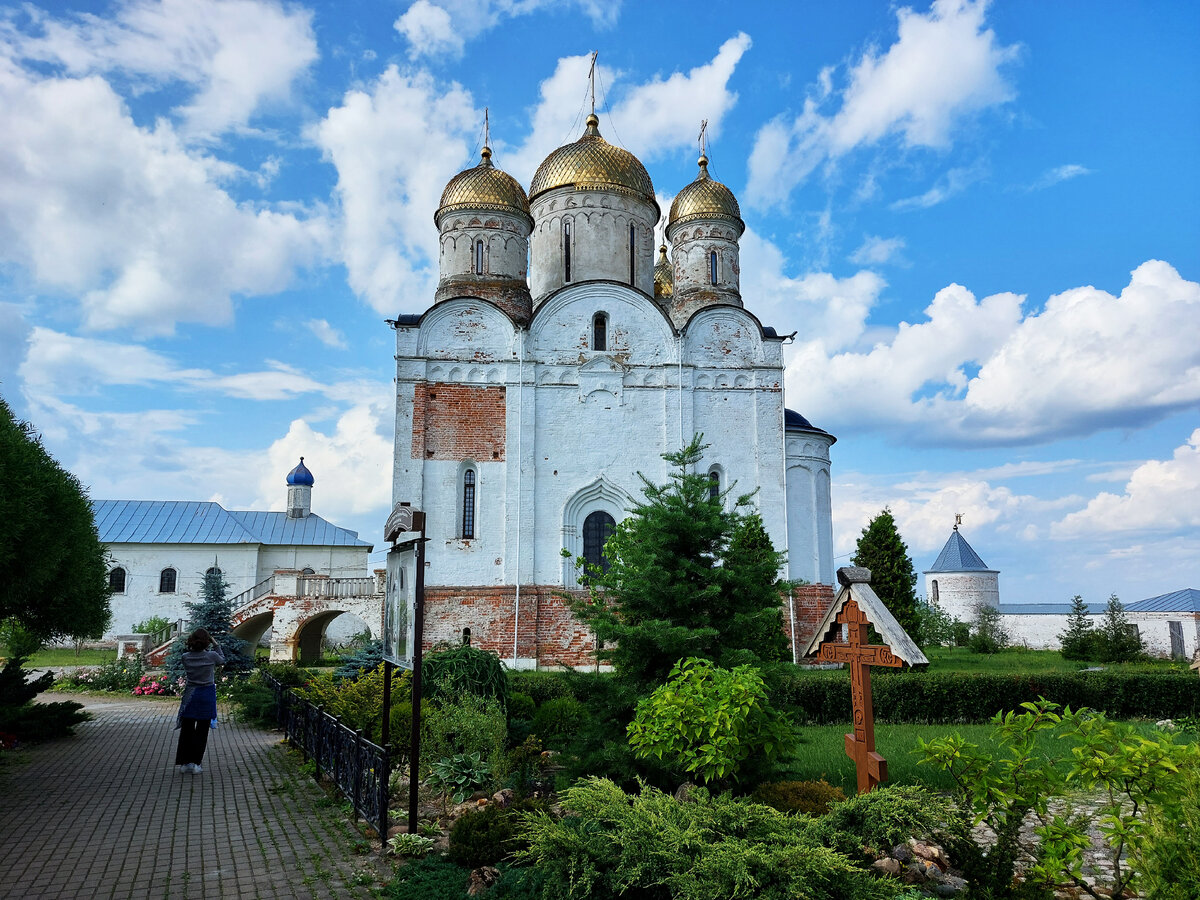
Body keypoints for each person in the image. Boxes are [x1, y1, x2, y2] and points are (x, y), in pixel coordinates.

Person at [175, 627, 225, 774]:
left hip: (190, 694)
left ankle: (184, 763)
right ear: (206, 642)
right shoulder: (212, 656)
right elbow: (222, 660)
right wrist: (216, 644)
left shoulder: (186, 657)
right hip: (206, 695)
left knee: (187, 730)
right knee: (202, 731)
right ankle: (196, 763)